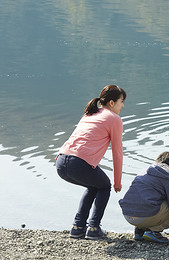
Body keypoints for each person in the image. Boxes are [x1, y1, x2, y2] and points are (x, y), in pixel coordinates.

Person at [56, 85, 126, 240]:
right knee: (104, 185)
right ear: (112, 103)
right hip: (78, 163)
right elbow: (117, 153)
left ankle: (77, 227)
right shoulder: (114, 119)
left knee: (94, 185)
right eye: (121, 101)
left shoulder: (90, 113)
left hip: (61, 162)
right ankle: (93, 228)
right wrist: (117, 182)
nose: (123, 105)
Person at [118, 151, 169, 243]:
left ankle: (139, 231)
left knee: (150, 200)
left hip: (127, 214)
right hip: (144, 216)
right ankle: (153, 232)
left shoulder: (145, 171)